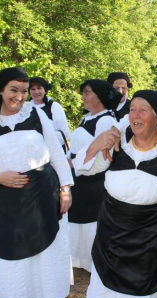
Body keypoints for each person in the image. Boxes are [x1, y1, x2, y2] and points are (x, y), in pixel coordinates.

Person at [74, 90, 157, 298]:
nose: (135, 115)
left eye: (143, 110)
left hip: (152, 232)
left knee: (147, 284)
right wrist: (97, 144)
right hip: (113, 229)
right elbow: (84, 167)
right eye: (132, 109)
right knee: (108, 282)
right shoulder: (116, 142)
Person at [0, 67, 73, 298]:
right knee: (11, 252)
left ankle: (40, 296)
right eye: (13, 90)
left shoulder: (37, 114)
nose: (19, 96)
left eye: (24, 91)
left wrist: (65, 188)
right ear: (1, 90)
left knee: (42, 249)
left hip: (42, 194)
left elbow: (57, 153)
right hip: (7, 199)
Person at [67, 79, 121, 272]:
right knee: (79, 221)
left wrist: (73, 164)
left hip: (92, 182)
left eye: (87, 92)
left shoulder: (106, 120)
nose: (83, 97)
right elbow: (79, 147)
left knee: (91, 222)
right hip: (80, 179)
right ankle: (81, 260)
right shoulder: (89, 117)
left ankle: (94, 263)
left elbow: (103, 160)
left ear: (99, 96)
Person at [29, 77, 70, 153]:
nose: (36, 91)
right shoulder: (26, 108)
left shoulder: (54, 106)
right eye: (33, 89)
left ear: (45, 90)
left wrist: (43, 145)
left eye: (39, 88)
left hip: (53, 152)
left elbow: (64, 132)